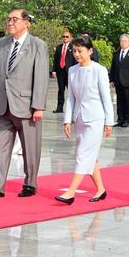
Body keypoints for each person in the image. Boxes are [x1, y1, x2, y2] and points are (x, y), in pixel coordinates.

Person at [0, 8, 49, 198]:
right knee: (0, 148)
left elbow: (41, 77)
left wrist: (39, 106)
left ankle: (30, 183)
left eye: (14, 19)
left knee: (30, 149)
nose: (10, 23)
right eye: (8, 19)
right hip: (4, 105)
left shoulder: (37, 45)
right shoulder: (2, 44)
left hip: (27, 106)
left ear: (26, 23)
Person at [55, 35, 114, 205]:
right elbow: (71, 98)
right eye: (74, 51)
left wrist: (109, 122)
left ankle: (71, 192)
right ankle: (101, 189)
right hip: (79, 118)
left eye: (80, 51)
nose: (77, 54)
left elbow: (106, 98)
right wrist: (67, 120)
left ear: (90, 51)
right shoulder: (72, 71)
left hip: (95, 118)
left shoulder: (99, 70)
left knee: (83, 155)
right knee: (90, 156)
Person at [109, 33, 129, 127]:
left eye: (125, 41)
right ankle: (120, 119)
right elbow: (113, 67)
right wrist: (112, 79)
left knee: (127, 100)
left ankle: (127, 119)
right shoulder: (117, 53)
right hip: (118, 80)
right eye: (122, 41)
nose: (123, 43)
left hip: (128, 81)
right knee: (119, 101)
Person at [52, 30, 75, 113]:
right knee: (61, 90)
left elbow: (75, 60)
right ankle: (59, 107)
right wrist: (54, 70)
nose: (65, 38)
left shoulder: (73, 47)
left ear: (71, 38)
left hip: (70, 72)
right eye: (63, 36)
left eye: (67, 37)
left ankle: (73, 108)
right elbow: (56, 59)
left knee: (71, 91)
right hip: (60, 71)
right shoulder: (59, 47)